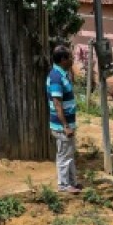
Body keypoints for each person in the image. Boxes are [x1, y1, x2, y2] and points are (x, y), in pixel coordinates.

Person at [48, 45, 80, 192]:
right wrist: (65, 126)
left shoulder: (62, 74)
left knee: (69, 153)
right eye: (70, 58)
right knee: (64, 155)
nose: (72, 60)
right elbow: (57, 104)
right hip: (62, 126)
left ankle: (72, 182)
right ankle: (63, 185)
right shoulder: (56, 77)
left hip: (67, 124)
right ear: (63, 59)